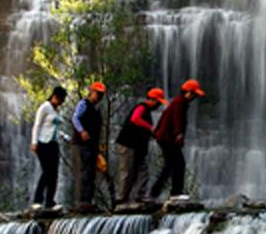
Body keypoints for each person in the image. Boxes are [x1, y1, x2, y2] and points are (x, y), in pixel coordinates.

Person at [149, 79, 206, 201]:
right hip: (167, 138)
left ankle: (157, 192)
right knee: (178, 164)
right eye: (194, 94)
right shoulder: (180, 102)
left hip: (165, 138)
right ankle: (173, 193)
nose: (195, 97)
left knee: (171, 165)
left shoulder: (180, 102)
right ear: (189, 92)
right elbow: (176, 118)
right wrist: (178, 134)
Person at [114, 87, 165, 205]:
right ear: (153, 100)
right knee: (127, 171)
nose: (159, 106)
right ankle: (122, 197)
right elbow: (135, 119)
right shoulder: (141, 107)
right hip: (128, 144)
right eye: (158, 103)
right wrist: (150, 128)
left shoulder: (147, 112)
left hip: (138, 147)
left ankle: (139, 195)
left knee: (143, 170)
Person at [30, 86, 68, 209]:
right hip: (43, 143)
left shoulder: (57, 110)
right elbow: (37, 125)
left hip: (53, 143)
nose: (61, 102)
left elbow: (54, 128)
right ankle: (37, 200)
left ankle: (50, 201)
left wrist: (64, 136)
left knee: (54, 174)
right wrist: (34, 142)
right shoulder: (45, 107)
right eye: (61, 99)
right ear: (55, 96)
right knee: (47, 172)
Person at [71, 81, 106, 211]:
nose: (99, 97)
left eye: (101, 95)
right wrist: (81, 131)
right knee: (83, 172)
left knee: (91, 173)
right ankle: (82, 202)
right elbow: (75, 118)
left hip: (92, 145)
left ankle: (88, 201)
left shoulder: (96, 109)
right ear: (91, 92)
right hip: (81, 144)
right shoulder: (83, 104)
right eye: (98, 94)